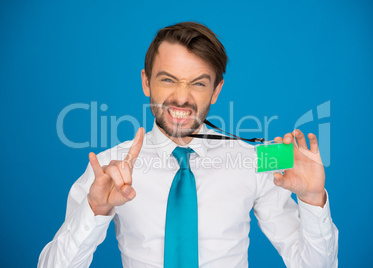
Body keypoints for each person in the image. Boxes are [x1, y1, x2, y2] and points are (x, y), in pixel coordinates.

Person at [38, 22, 338, 268]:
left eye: (198, 83)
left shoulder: (259, 159)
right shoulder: (108, 168)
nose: (182, 97)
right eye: (168, 80)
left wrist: (313, 199)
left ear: (216, 90)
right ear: (146, 82)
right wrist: (94, 209)